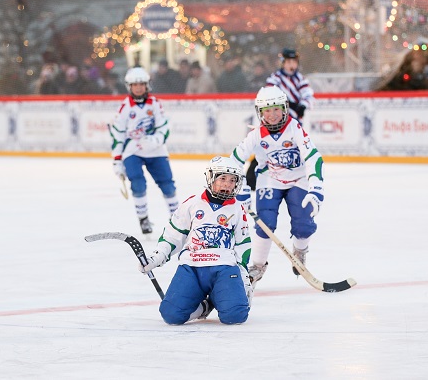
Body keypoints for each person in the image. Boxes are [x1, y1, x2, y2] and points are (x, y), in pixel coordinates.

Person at [139, 156, 252, 325]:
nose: (227, 184)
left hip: (224, 268)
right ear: (210, 178)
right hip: (192, 267)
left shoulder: (237, 208)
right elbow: (172, 236)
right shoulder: (192, 204)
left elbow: (243, 244)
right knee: (171, 315)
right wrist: (156, 258)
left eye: (232, 180)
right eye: (222, 179)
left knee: (235, 315)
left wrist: (243, 275)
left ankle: (218, 294)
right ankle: (205, 306)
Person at [230, 86, 325, 288]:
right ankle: (257, 265)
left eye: (276, 109)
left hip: (298, 179)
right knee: (265, 223)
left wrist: (316, 189)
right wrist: (242, 189)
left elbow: (312, 157)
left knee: (304, 224)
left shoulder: (295, 128)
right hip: (270, 180)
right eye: (267, 110)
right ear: (260, 112)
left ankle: (299, 251)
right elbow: (234, 161)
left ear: (284, 108)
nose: (272, 115)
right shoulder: (256, 134)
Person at [109, 66, 179, 234]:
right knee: (138, 184)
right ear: (129, 87)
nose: (138, 87)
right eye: (135, 85)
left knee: (168, 186)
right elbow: (118, 135)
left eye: (141, 84)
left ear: (147, 85)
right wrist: (117, 161)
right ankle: (143, 219)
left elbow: (164, 126)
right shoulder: (125, 107)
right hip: (133, 150)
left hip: (156, 150)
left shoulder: (155, 104)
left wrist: (156, 139)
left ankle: (177, 220)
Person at [246, 48, 315, 191]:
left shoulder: (300, 79)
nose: (291, 65)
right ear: (283, 62)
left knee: (295, 149)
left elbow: (308, 94)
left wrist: (303, 105)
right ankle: (252, 179)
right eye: (288, 61)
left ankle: (295, 180)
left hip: (293, 123)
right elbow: (269, 94)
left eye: (294, 62)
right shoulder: (275, 78)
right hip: (275, 122)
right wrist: (290, 103)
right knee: (266, 147)